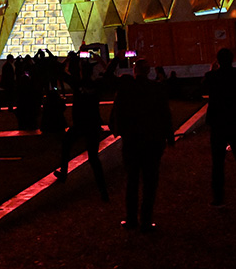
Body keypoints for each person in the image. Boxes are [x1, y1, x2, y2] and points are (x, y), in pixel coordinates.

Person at [112, 59, 173, 232]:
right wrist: (169, 136)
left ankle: (131, 219)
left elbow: (119, 111)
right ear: (148, 71)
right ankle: (146, 220)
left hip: (132, 140)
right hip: (153, 140)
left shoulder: (126, 88)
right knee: (150, 182)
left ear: (135, 70)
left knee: (132, 181)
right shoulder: (157, 88)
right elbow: (165, 113)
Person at [203, 48, 236, 206]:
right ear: (232, 59)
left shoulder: (211, 76)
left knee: (217, 162)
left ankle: (218, 198)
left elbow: (205, 89)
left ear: (217, 60)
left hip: (218, 120)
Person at [56, 59, 109, 200]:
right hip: (93, 124)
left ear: (81, 71)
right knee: (93, 158)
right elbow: (109, 73)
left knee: (66, 145)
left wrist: (67, 60)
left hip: (80, 124)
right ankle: (103, 191)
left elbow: (60, 72)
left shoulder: (77, 83)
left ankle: (64, 173)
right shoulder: (96, 85)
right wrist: (102, 61)